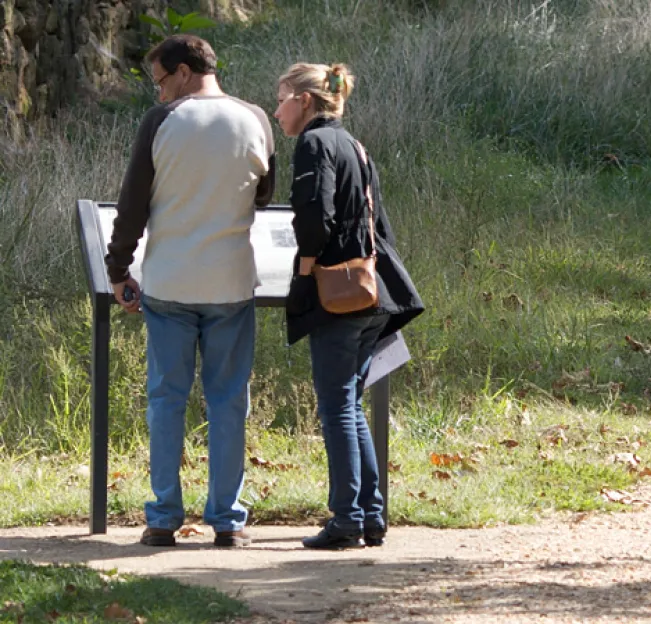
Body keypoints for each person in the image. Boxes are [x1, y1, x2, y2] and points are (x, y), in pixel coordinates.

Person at [104, 35, 275, 547]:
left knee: (166, 400)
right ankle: (227, 521)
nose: (158, 94)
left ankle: (162, 518)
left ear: (182, 72)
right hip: (230, 282)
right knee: (227, 403)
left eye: (160, 81)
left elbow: (132, 204)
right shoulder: (256, 119)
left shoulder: (162, 122)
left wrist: (118, 269)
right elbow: (263, 194)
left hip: (170, 282)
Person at [274, 62, 424, 549]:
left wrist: (304, 272)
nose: (276, 112)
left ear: (305, 101)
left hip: (338, 294)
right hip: (371, 292)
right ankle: (370, 515)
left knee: (336, 406)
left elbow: (314, 217)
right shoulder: (355, 144)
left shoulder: (314, 144)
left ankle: (345, 519)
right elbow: (381, 225)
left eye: (281, 99)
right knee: (349, 405)